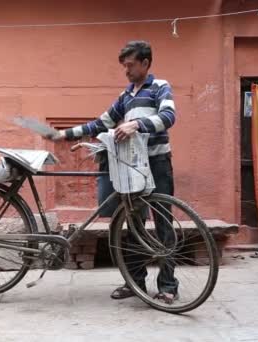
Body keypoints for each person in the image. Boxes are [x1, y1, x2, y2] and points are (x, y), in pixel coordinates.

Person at [52, 40, 178, 304]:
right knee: (133, 225)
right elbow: (102, 123)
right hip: (133, 167)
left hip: (158, 164)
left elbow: (168, 117)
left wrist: (136, 125)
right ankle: (134, 282)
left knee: (164, 224)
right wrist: (64, 133)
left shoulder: (159, 87)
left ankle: (168, 286)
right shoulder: (126, 96)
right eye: (124, 66)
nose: (127, 71)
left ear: (145, 63)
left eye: (130, 65)